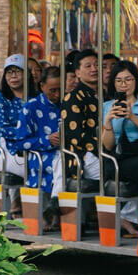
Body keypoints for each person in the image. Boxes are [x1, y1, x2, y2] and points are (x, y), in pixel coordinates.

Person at [101, 60, 138, 238]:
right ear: (113, 84)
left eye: (128, 79)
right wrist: (108, 122)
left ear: (136, 81)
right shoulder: (107, 106)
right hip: (120, 158)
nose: (124, 85)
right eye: (119, 81)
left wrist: (132, 117)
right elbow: (107, 146)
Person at [11, 66, 63, 230]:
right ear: (42, 86)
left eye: (60, 90)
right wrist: (46, 140)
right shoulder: (30, 107)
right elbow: (20, 142)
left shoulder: (67, 104)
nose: (56, 95)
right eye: (52, 90)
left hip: (63, 153)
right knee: (51, 166)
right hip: (39, 154)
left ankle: (62, 213)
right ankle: (48, 212)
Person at [61, 49, 102, 189]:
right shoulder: (73, 97)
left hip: (105, 152)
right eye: (88, 66)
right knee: (119, 172)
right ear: (77, 72)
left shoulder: (106, 95)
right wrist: (104, 147)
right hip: (84, 155)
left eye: (97, 65)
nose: (94, 69)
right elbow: (76, 136)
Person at [0, 54, 31, 180]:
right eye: (9, 72)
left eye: (17, 71)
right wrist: (31, 135)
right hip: (8, 150)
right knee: (37, 167)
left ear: (27, 74)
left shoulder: (35, 98)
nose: (13, 76)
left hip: (35, 147)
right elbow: (2, 129)